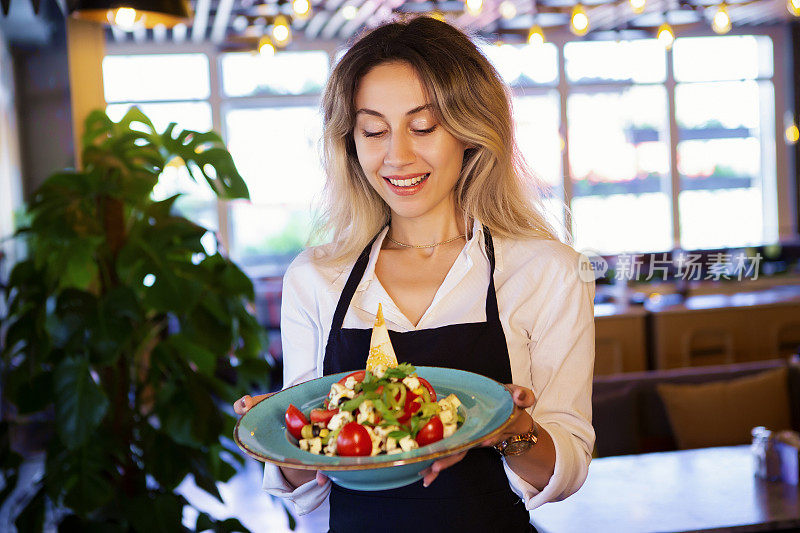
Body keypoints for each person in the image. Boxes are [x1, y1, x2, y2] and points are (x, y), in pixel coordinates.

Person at [234, 15, 595, 533]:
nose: (397, 155)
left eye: (423, 127)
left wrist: (510, 427)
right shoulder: (316, 277)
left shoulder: (547, 270)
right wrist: (288, 428)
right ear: (350, 142)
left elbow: (569, 463)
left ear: (471, 129)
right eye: (374, 130)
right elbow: (306, 483)